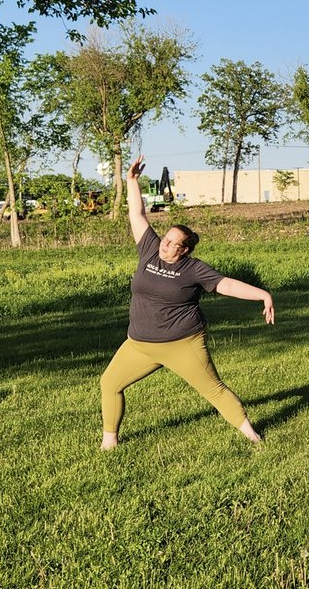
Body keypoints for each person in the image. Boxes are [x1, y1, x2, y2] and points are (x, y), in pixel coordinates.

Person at [99, 155, 274, 450]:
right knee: (109, 384)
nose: (164, 244)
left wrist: (263, 294)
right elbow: (137, 215)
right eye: (165, 239)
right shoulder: (150, 251)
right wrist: (131, 181)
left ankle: (254, 437)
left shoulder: (193, 269)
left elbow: (225, 284)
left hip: (182, 343)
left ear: (185, 249)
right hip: (139, 344)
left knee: (214, 390)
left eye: (172, 242)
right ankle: (109, 444)